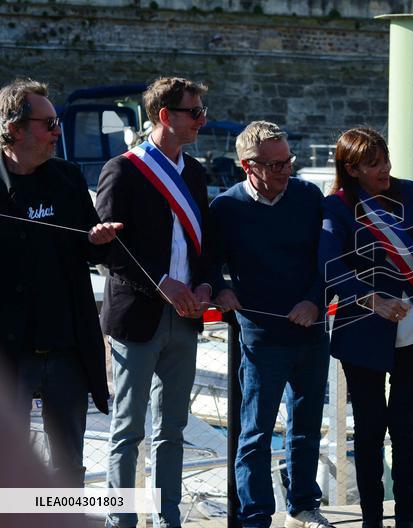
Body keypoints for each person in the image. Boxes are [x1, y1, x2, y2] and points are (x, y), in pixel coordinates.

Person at [96, 77, 213, 528]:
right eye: (195, 113)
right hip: (138, 316)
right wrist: (162, 282)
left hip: (186, 316)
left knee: (173, 431)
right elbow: (110, 250)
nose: (202, 120)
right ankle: (121, 521)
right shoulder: (123, 170)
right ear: (165, 116)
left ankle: (168, 519)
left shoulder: (197, 174)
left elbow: (205, 245)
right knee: (127, 431)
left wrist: (203, 286)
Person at [318, 127, 413, 528]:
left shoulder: (407, 192)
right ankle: (372, 520)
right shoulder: (336, 207)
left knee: (406, 427)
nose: (385, 169)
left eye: (386, 159)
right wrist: (369, 298)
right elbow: (330, 266)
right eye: (374, 164)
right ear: (352, 168)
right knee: (371, 429)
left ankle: (407, 519)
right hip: (364, 330)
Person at [208, 121, 332, 528]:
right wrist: (222, 292)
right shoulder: (226, 208)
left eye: (288, 162)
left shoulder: (308, 196)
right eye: (275, 165)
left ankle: (302, 506)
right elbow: (207, 262)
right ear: (249, 166)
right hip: (260, 337)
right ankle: (256, 516)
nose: (285, 171)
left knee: (307, 427)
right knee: (256, 434)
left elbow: (327, 261)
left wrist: (315, 302)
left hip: (311, 332)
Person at [0, 78, 121, 486]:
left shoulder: (68, 179)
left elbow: (91, 250)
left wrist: (99, 240)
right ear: (14, 128)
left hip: (67, 346)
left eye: (57, 122)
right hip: (9, 353)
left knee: (69, 464)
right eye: (48, 123)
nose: (57, 132)